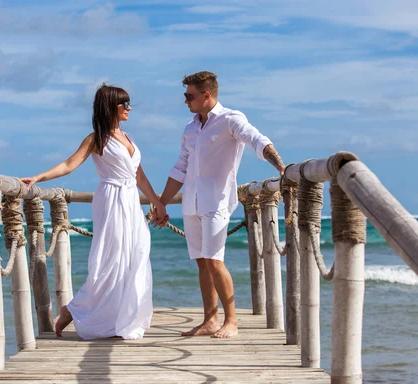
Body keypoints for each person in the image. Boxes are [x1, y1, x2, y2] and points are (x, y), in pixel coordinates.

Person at [21, 84, 165, 340]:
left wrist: (157, 203)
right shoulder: (96, 139)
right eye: (124, 104)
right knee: (110, 260)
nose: (129, 108)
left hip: (131, 200)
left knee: (137, 253)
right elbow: (68, 164)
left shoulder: (129, 137)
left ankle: (120, 318)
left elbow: (139, 175)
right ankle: (72, 311)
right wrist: (38, 177)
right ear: (110, 106)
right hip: (111, 201)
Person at [155, 71, 285, 339]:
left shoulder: (230, 120)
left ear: (207, 95)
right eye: (184, 96)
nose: (185, 101)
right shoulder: (190, 129)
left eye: (189, 96)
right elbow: (180, 168)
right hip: (191, 203)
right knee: (202, 262)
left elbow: (256, 140)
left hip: (217, 202)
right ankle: (210, 320)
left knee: (215, 261)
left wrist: (282, 168)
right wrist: (161, 203)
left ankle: (232, 321)